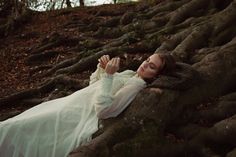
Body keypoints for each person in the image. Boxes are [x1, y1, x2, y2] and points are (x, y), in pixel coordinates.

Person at [0, 52, 176, 157]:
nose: (145, 65)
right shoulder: (131, 74)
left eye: (152, 67)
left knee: (21, 129)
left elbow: (104, 110)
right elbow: (96, 87)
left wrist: (108, 76)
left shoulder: (137, 85)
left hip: (79, 116)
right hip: (71, 104)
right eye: (147, 60)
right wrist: (102, 69)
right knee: (19, 125)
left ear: (156, 76)